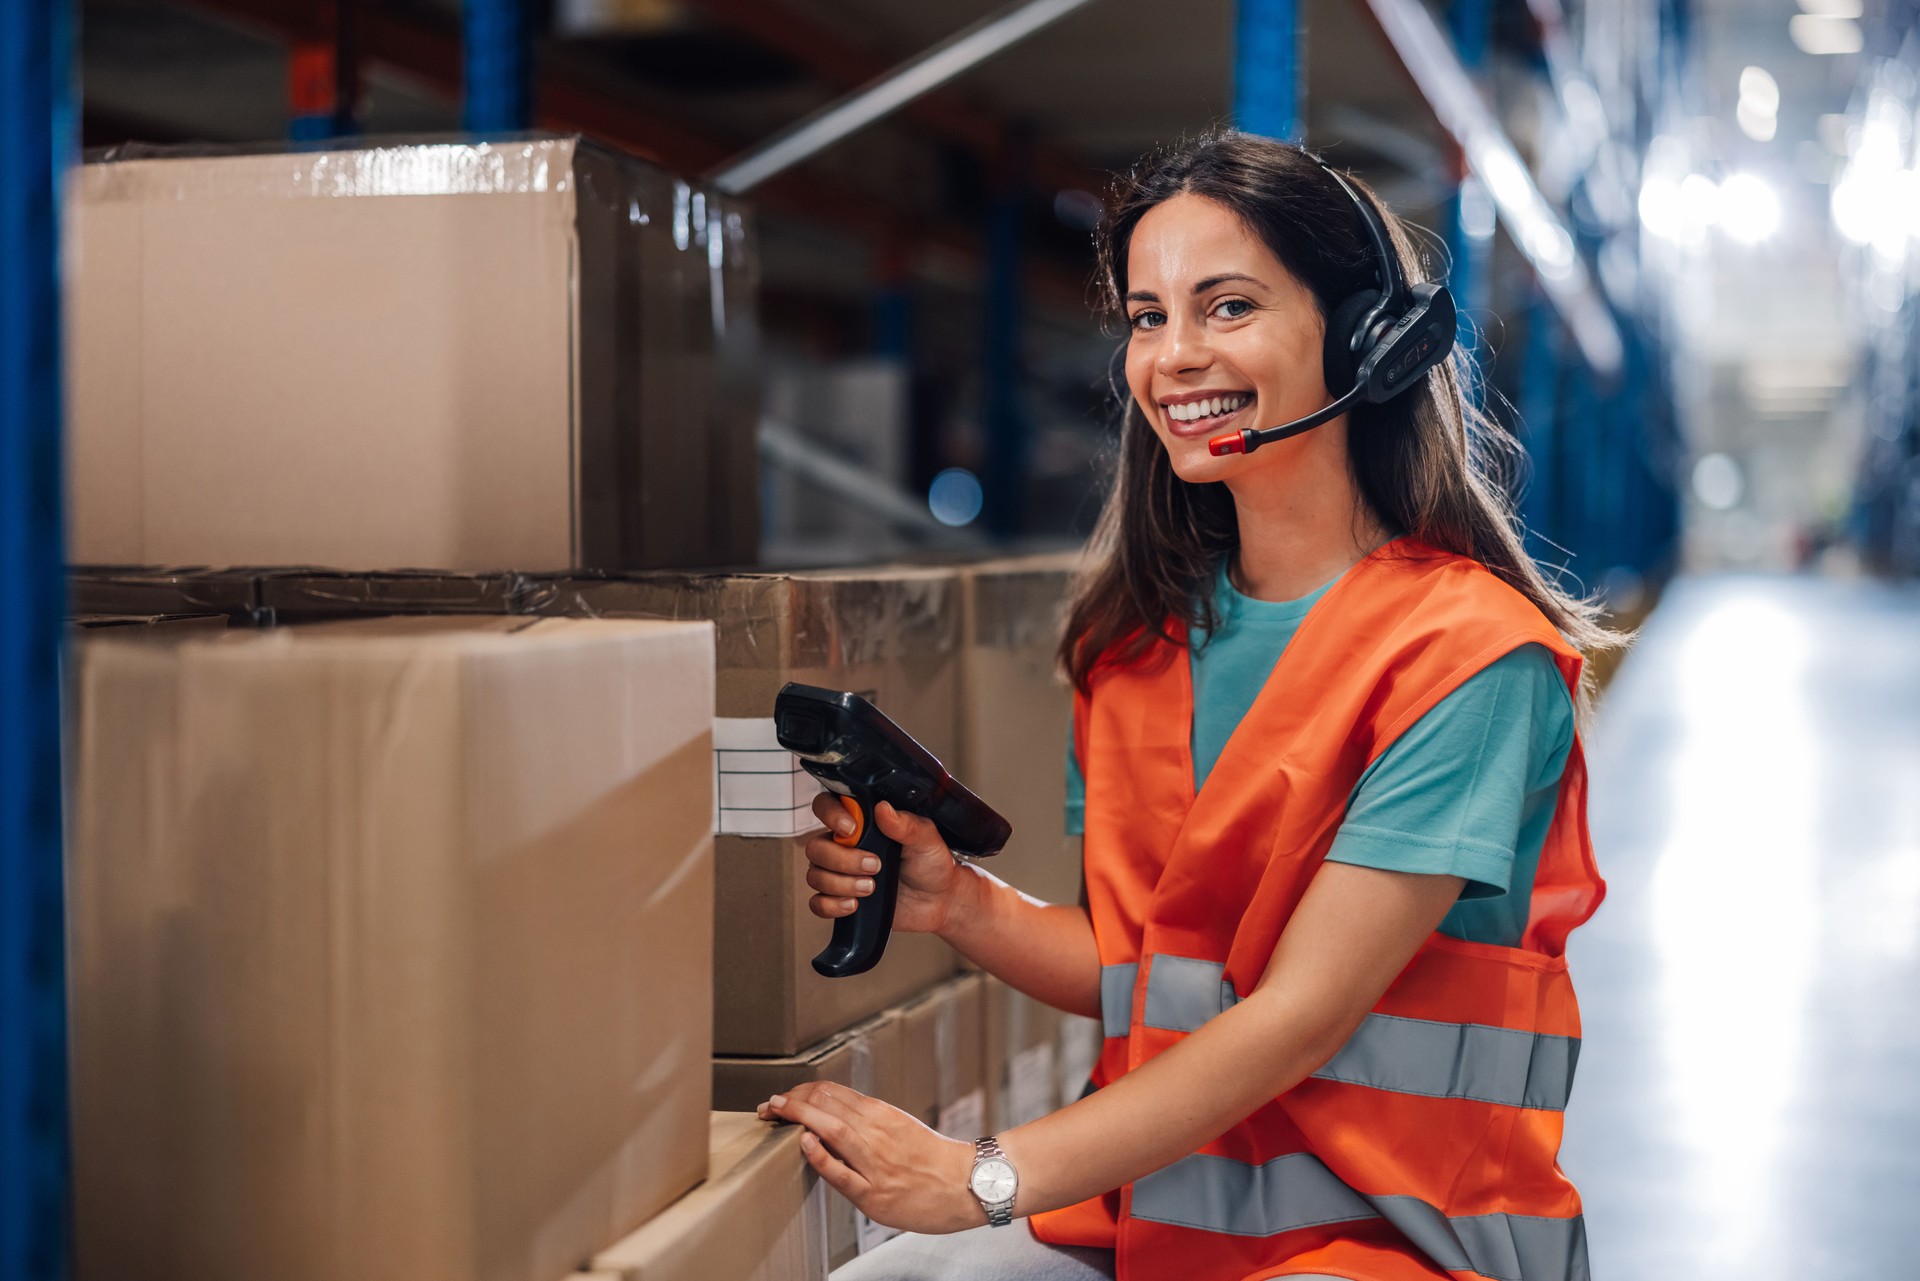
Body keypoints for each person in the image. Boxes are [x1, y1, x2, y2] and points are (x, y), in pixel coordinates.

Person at [758, 130, 1616, 1281]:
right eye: (1150, 318)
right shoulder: (1137, 646)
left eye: (1227, 307)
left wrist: (981, 1178)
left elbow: (1298, 1015)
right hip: (1162, 1226)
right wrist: (959, 902)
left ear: (1365, 338)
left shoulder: (1468, 658)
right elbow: (1144, 966)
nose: (1174, 359)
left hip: (1394, 1240)